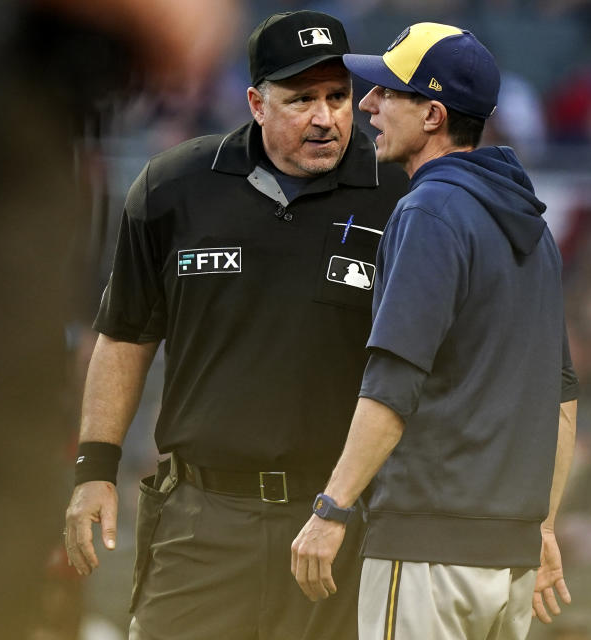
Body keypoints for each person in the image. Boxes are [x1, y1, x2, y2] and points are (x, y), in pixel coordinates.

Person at [63, 9, 408, 640]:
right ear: (256, 101)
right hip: (203, 522)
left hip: (339, 521)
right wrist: (94, 470)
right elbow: (124, 337)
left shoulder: (400, 194)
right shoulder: (175, 188)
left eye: (337, 96)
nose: (325, 117)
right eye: (301, 99)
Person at [289, 23, 579, 639]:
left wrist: (332, 507)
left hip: (428, 548)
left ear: (433, 115)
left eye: (388, 93)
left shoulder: (429, 210)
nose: (366, 104)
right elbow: (562, 402)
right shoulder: (535, 228)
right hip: (512, 559)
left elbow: (392, 383)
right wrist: (545, 527)